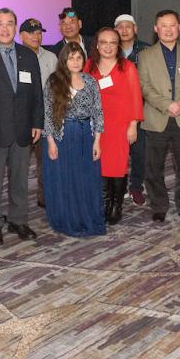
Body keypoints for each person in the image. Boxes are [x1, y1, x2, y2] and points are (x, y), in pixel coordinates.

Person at [0, 8, 43, 246]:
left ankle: (18, 220)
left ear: (16, 28)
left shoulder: (28, 55)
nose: (5, 28)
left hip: (23, 129)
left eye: (10, 23)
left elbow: (36, 93)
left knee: (20, 179)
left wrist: (37, 122)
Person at [138, 10, 180, 223]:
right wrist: (167, 105)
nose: (168, 29)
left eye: (172, 25)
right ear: (156, 29)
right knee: (154, 167)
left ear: (179, 27)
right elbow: (144, 86)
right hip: (157, 118)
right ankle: (158, 205)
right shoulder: (145, 55)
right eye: (163, 26)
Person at [43, 42, 104, 236]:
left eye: (79, 57)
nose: (75, 62)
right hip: (62, 137)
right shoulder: (54, 81)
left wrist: (97, 140)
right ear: (64, 60)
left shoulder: (91, 82)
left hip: (86, 136)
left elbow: (98, 112)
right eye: (71, 58)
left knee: (85, 179)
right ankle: (67, 218)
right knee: (65, 179)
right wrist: (51, 142)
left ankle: (85, 216)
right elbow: (47, 113)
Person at [86, 28, 142, 224]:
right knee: (99, 165)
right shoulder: (88, 66)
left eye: (112, 42)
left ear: (118, 45)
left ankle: (117, 206)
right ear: (97, 44)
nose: (108, 46)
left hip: (120, 125)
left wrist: (133, 124)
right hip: (95, 127)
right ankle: (105, 205)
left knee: (117, 166)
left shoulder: (127, 67)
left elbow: (136, 97)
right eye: (104, 42)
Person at [19, 17, 57, 208]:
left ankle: (45, 197)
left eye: (39, 32)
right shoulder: (15, 56)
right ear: (21, 36)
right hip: (22, 119)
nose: (36, 36)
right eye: (32, 32)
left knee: (46, 162)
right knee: (20, 164)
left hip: (46, 118)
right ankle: (18, 201)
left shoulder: (51, 57)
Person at [114, 14, 150, 205]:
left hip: (140, 109)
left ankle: (136, 187)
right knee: (116, 152)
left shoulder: (146, 50)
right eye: (120, 27)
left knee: (139, 153)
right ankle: (117, 188)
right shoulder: (109, 50)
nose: (125, 30)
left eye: (129, 27)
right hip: (115, 112)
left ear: (135, 29)